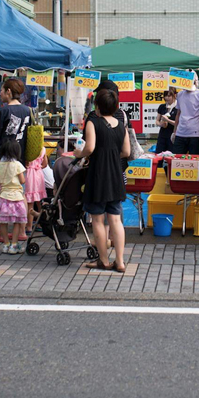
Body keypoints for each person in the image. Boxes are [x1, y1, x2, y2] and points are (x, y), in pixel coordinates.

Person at [75, 89, 130, 272]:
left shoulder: (93, 122)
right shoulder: (121, 126)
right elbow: (127, 152)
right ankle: (120, 262)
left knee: (98, 220)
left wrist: (78, 154)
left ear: (97, 106)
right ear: (115, 107)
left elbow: (89, 148)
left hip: (98, 174)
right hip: (115, 174)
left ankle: (104, 261)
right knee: (115, 219)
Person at [0, 78, 31, 243]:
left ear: (8, 91)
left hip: (3, 159)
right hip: (20, 158)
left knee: (3, 194)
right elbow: (27, 136)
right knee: (21, 193)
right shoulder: (27, 110)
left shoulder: (2, 112)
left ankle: (3, 231)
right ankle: (22, 230)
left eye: (2, 90)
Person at [0, 140, 28, 254]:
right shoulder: (17, 164)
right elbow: (22, 180)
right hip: (16, 197)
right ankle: (14, 245)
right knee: (17, 221)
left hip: (3, 197)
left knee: (2, 222)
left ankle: (6, 244)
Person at [172, 75, 199, 155]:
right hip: (180, 132)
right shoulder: (180, 94)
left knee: (194, 161)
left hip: (195, 134)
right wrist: (174, 132)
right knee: (177, 160)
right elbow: (178, 113)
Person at [23, 146, 48, 235]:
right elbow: (45, 164)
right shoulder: (42, 148)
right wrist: (39, 165)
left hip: (29, 174)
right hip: (39, 174)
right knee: (39, 201)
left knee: (29, 202)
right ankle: (42, 224)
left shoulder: (28, 148)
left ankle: (29, 226)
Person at [155, 89, 178, 154]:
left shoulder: (178, 107)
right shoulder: (162, 107)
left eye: (169, 96)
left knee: (171, 157)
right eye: (165, 96)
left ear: (175, 95)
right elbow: (157, 120)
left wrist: (168, 120)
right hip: (162, 135)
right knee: (159, 155)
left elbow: (178, 123)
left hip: (173, 135)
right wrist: (160, 124)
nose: (167, 98)